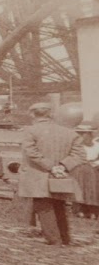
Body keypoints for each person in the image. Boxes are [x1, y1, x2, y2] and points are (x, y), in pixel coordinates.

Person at [18, 103, 87, 246]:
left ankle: (53, 239)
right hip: (60, 175)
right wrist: (62, 166)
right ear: (51, 114)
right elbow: (80, 155)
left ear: (32, 115)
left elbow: (31, 153)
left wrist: (51, 167)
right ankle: (65, 237)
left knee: (43, 206)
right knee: (59, 205)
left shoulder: (30, 131)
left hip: (38, 175)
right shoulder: (69, 133)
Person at [69, 123, 99, 218]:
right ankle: (80, 210)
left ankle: (93, 211)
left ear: (90, 134)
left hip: (94, 169)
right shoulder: (77, 146)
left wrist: (96, 163)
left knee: (93, 189)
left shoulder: (97, 145)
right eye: (79, 133)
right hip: (80, 169)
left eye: (84, 133)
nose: (81, 136)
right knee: (80, 189)